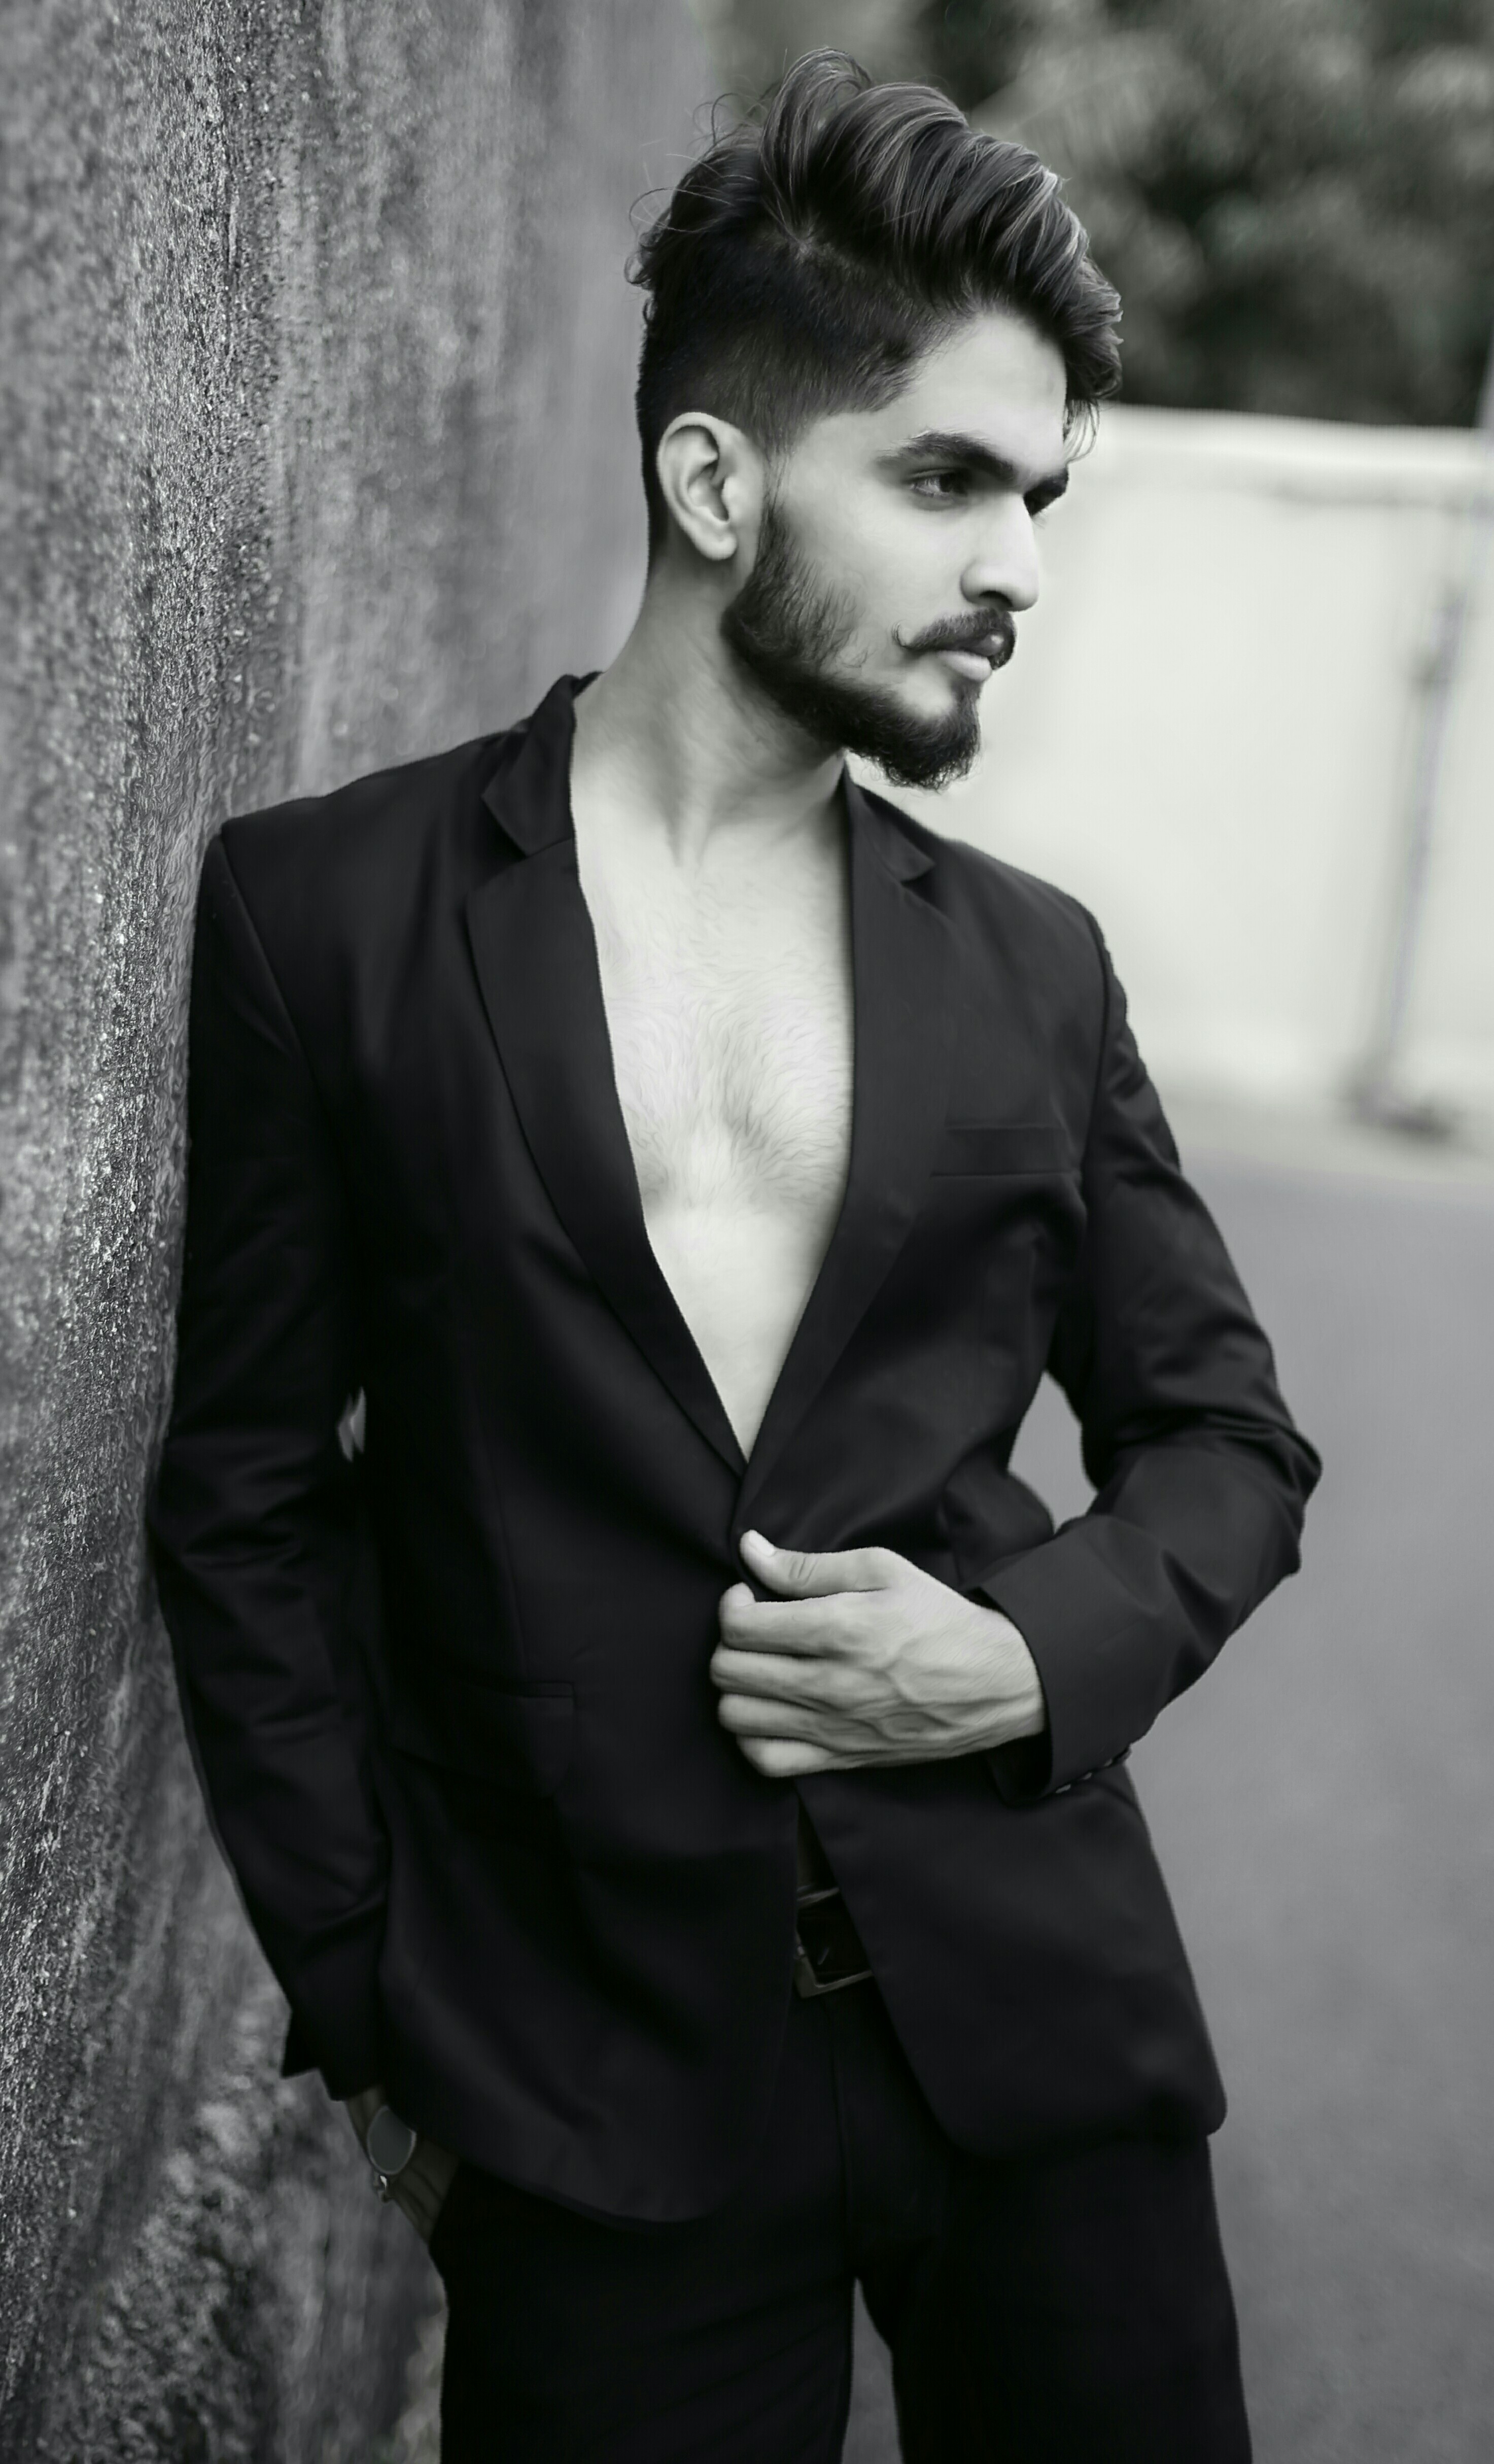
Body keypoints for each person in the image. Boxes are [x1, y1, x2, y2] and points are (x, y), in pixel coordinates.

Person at [149, 51, 1319, 2464]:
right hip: (591, 2104)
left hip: (1034, 2025)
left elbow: (1222, 1436)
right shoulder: (323, 914)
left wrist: (1021, 1650)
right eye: (943, 479)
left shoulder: (1031, 966)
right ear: (713, 482)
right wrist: (373, 2005)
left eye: (1035, 496)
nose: (1016, 566)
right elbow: (244, 1494)